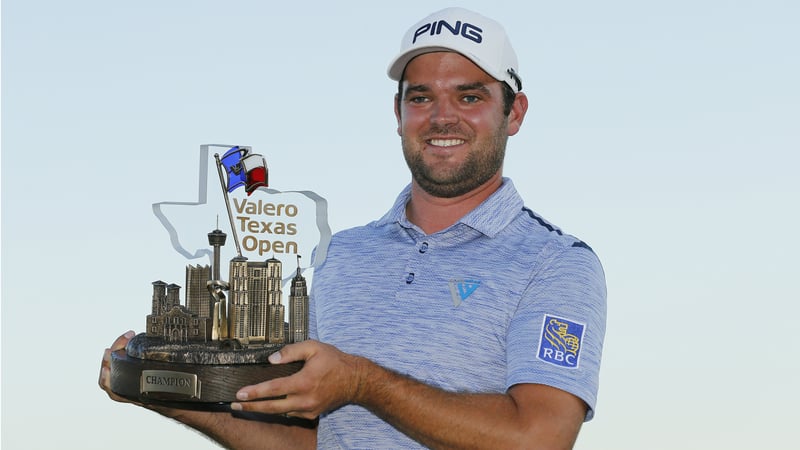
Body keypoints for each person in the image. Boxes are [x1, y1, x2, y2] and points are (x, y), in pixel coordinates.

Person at [99, 7, 606, 449]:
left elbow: (539, 437)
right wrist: (169, 391)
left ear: (513, 113)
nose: (442, 117)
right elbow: (310, 441)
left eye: (470, 98)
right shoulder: (342, 254)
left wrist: (363, 382)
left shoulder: (557, 263)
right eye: (421, 97)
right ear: (398, 111)